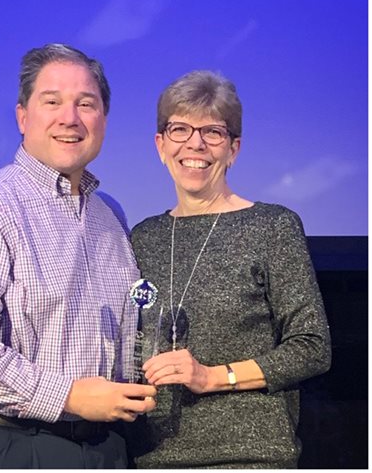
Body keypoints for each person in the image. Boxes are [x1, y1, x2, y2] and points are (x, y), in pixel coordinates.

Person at [0, 43, 156, 469]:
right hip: (12, 446)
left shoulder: (109, 215)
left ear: (104, 119)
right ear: (23, 116)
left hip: (107, 448)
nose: (70, 117)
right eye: (53, 102)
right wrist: (68, 395)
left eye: (86, 103)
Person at [127, 70, 331, 468]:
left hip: (248, 456)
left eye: (213, 132)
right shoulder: (143, 237)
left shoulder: (272, 226)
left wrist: (210, 377)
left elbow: (312, 346)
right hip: (153, 456)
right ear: (161, 145)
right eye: (180, 129)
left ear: (234, 149)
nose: (195, 144)